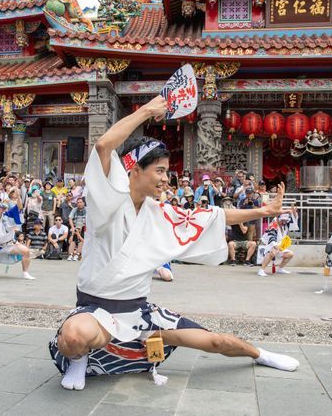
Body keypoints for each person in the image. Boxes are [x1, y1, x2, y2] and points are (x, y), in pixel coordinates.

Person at [48, 96, 298, 392]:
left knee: (215, 341)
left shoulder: (161, 212)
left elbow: (211, 216)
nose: (167, 179)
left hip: (140, 313)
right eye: (161, 171)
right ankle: (79, 359)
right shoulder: (106, 203)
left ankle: (261, 354)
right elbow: (103, 146)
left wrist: (264, 212)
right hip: (97, 312)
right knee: (74, 336)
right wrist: (147, 111)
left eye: (167, 171)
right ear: (135, 170)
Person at [256, 210, 297, 277]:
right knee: (273, 252)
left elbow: (294, 223)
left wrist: (293, 214)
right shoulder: (273, 224)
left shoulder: (284, 224)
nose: (284, 222)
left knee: (290, 254)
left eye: (285, 220)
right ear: (278, 218)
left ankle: (280, 269)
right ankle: (261, 270)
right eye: (282, 220)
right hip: (267, 244)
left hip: (278, 245)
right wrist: (275, 246)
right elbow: (271, 237)